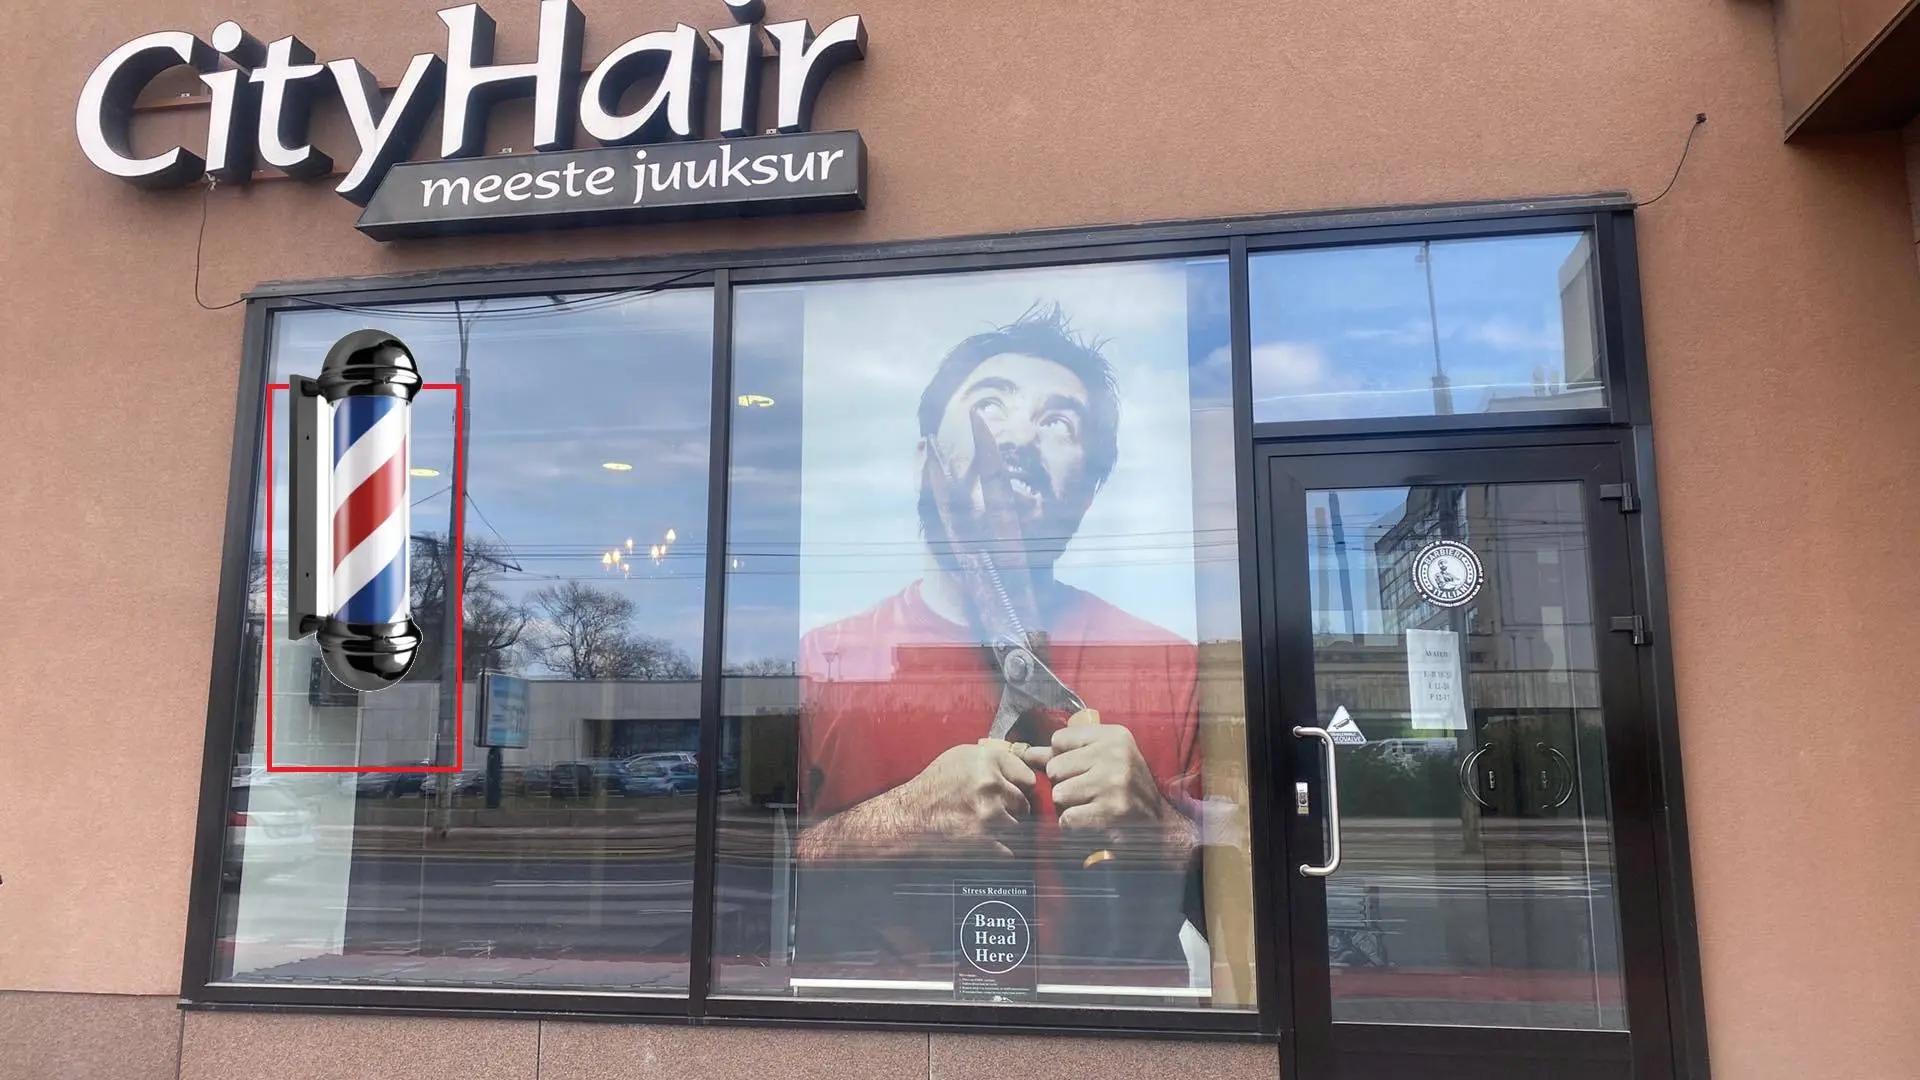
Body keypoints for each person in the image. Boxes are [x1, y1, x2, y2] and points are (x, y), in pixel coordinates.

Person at [791, 303, 1203, 988]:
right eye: (990, 405)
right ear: (924, 460)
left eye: (1058, 422)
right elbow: (749, 885)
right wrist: (900, 822)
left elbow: (1261, 912)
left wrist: (1159, 832)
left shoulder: (1169, 664)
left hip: (1117, 1030)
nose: (1016, 437)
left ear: (1090, 490)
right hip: (875, 1021)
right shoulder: (823, 661)